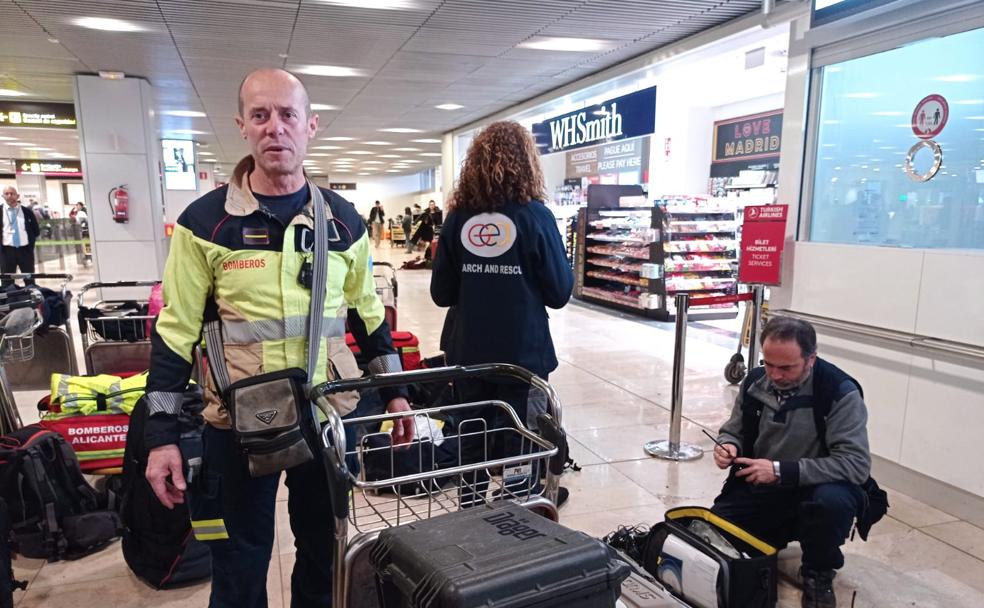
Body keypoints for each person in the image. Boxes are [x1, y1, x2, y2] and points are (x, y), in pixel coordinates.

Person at [143, 68, 414, 608]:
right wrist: (160, 435)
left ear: (310, 125)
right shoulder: (206, 223)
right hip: (237, 425)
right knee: (238, 563)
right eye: (260, 115)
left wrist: (396, 393)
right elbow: (175, 332)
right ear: (242, 125)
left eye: (288, 115)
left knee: (324, 555)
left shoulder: (343, 222)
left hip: (325, 415)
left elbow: (368, 316)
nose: (275, 127)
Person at [430, 120, 574, 504]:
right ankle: (517, 510)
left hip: (468, 353)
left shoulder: (457, 219)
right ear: (528, 162)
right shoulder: (536, 217)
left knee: (471, 437)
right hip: (523, 356)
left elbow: (441, 294)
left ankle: (471, 508)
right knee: (522, 440)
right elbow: (559, 293)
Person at [711, 317, 871, 608]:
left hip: (814, 490)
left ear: (811, 359)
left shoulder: (839, 392)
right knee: (716, 535)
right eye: (769, 364)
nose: (775, 375)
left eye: (786, 368)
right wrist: (728, 444)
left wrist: (780, 471)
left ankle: (818, 572)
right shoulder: (755, 381)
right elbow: (734, 429)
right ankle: (769, 540)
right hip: (761, 487)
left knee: (832, 503)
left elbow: (856, 464)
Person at [1, 186, 41, 286]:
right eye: (7, 194)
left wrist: (30, 244)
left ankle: (30, 295)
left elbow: (36, 230)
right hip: (6, 251)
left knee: (29, 280)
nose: (9, 196)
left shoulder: (27, 211)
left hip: (25, 250)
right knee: (7, 282)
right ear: (3, 196)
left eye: (12, 193)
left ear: (17, 196)